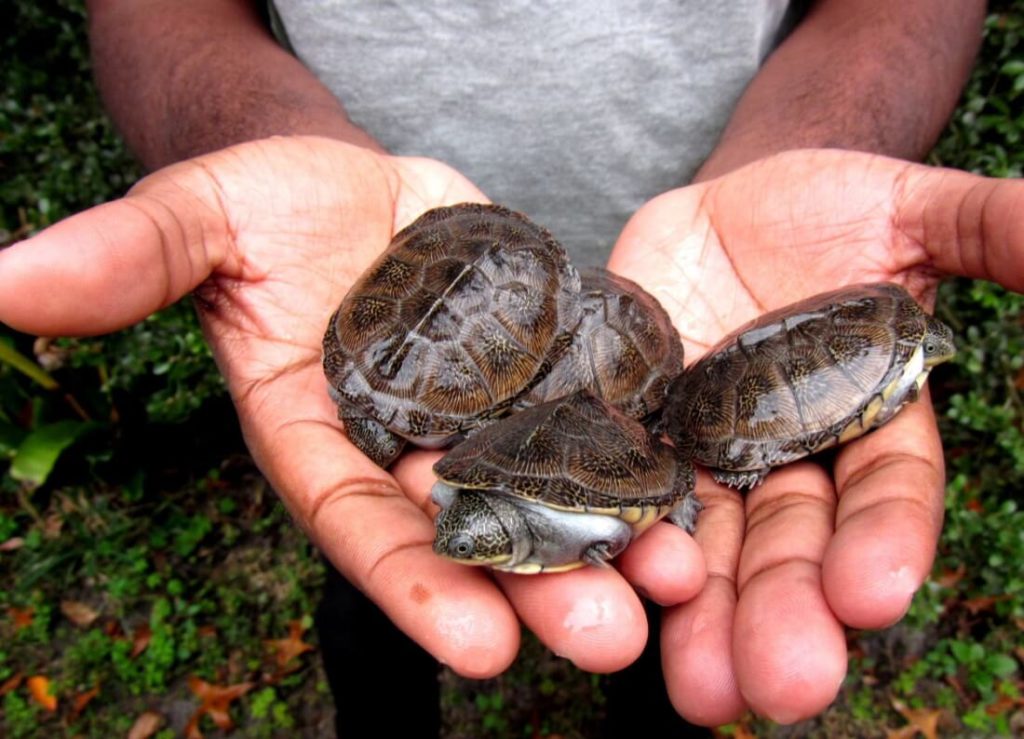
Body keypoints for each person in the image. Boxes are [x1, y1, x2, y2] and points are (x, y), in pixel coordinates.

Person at [0, 0, 1007, 734]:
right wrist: (254, 143)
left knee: (672, 614)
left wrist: (819, 139)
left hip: (656, 305)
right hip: (409, 259)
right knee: (378, 575)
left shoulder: (472, 414)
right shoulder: (414, 429)